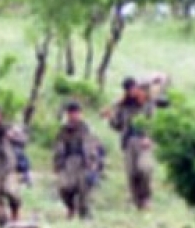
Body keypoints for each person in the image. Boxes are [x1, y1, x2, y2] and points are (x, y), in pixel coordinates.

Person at [106, 77, 156, 210]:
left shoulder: (147, 103)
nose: (132, 92)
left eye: (134, 88)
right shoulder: (123, 106)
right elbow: (118, 126)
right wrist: (110, 118)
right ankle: (137, 202)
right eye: (129, 90)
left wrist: (149, 137)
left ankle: (146, 197)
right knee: (132, 173)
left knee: (145, 168)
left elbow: (154, 122)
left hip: (143, 141)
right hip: (129, 142)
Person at [54, 102, 101, 219]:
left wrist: (94, 165)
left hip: (84, 162)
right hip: (68, 162)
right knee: (64, 188)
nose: (73, 116)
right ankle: (70, 207)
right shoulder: (63, 130)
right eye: (70, 113)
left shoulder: (87, 129)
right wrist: (57, 164)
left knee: (84, 191)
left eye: (76, 113)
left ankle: (84, 216)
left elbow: (94, 148)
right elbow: (58, 148)